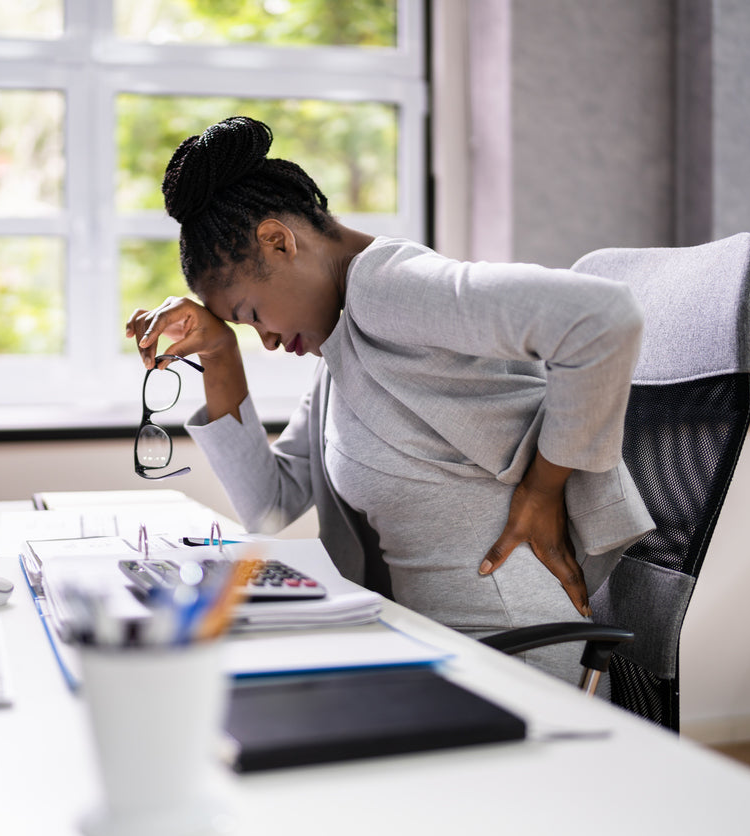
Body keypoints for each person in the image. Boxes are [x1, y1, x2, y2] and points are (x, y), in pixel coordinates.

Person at [125, 116, 653, 684]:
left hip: (504, 647)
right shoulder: (343, 348)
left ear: (278, 242)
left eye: (252, 315)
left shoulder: (390, 288)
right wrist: (221, 354)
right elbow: (269, 504)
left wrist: (543, 489)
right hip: (422, 639)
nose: (269, 341)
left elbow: (603, 319)